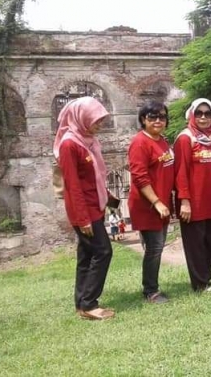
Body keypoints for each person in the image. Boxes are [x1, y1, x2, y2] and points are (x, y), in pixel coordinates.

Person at [54, 96, 114, 320]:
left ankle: (81, 303)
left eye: (101, 120)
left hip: (93, 205)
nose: (100, 125)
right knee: (103, 251)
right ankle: (89, 304)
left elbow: (94, 176)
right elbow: (72, 185)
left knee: (86, 254)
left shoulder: (88, 140)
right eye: (96, 120)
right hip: (84, 210)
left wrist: (106, 196)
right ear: (82, 118)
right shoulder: (70, 144)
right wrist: (83, 218)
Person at [128, 101, 175, 304]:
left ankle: (151, 287)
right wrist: (156, 202)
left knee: (158, 246)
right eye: (152, 117)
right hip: (148, 206)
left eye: (162, 117)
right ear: (143, 120)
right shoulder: (140, 143)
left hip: (161, 203)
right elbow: (140, 177)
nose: (158, 120)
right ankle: (151, 291)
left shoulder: (162, 141)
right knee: (154, 248)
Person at [173, 98, 211, 292]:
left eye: (207, 113)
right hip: (193, 204)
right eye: (199, 113)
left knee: (209, 243)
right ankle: (200, 284)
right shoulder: (185, 138)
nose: (203, 117)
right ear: (192, 115)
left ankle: (207, 280)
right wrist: (184, 201)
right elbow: (181, 172)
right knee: (196, 245)